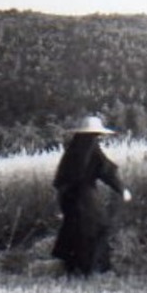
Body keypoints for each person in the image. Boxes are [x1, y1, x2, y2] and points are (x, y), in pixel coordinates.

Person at [51, 115, 132, 277]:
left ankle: (73, 270)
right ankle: (93, 270)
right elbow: (107, 172)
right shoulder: (93, 149)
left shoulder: (71, 151)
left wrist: (60, 201)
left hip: (69, 199)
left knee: (73, 231)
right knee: (96, 229)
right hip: (87, 198)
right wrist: (122, 189)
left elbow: (60, 180)